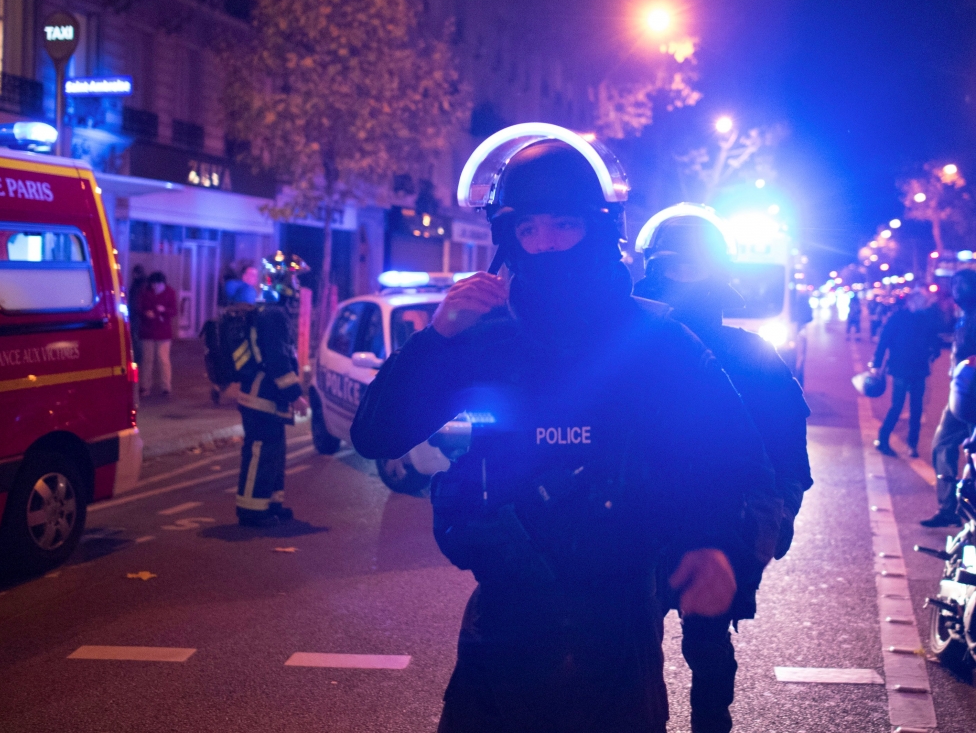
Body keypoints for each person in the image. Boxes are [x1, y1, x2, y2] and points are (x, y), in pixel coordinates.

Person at [351, 125, 779, 733]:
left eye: (563, 226)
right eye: (527, 229)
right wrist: (436, 340)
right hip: (499, 639)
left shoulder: (657, 341)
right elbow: (376, 434)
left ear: (599, 228)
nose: (545, 245)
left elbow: (742, 466)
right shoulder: (486, 336)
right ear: (507, 238)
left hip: (621, 644)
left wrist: (723, 550)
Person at [632, 205, 812, 733]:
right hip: (635, 523)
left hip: (720, 526)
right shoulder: (625, 352)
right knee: (628, 652)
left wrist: (772, 523)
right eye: (672, 266)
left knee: (708, 650)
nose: (683, 278)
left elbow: (787, 453)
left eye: (693, 266)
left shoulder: (752, 354)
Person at [234, 255, 309, 527]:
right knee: (260, 453)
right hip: (260, 397)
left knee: (274, 453)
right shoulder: (274, 315)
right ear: (284, 283)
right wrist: (296, 396)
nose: (298, 285)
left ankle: (270, 504)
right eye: (295, 279)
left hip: (267, 397)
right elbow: (278, 361)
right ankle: (251, 511)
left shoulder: (270, 312)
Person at [926, 269, 976, 526]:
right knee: (942, 444)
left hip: (972, 394)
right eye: (954, 284)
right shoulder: (964, 315)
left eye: (963, 285)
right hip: (962, 394)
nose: (957, 289)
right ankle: (949, 508)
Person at [872, 289, 941, 458]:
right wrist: (876, 364)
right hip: (901, 369)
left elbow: (935, 341)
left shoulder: (925, 319)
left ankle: (912, 445)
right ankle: (883, 439)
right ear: (912, 301)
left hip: (917, 369)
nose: (922, 305)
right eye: (920, 301)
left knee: (916, 409)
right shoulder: (899, 318)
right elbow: (884, 341)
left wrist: (933, 353)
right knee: (898, 406)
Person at [138, 271, 178, 397]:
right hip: (148, 330)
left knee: (163, 359)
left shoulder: (170, 293)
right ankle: (145, 386)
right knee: (147, 359)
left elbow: (174, 311)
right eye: (153, 285)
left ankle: (166, 386)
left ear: (163, 284)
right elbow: (139, 308)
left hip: (162, 330)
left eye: (158, 285)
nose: (155, 287)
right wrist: (145, 313)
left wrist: (164, 310)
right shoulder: (145, 292)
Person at [128, 265, 147, 366]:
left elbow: (136, 300)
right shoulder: (139, 284)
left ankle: (138, 359)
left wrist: (136, 311)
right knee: (136, 337)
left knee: (136, 337)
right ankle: (138, 358)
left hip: (136, 315)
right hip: (136, 314)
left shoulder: (139, 285)